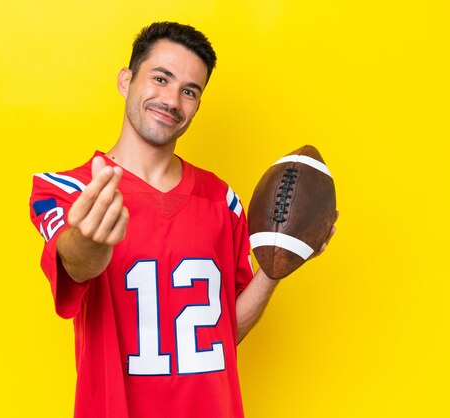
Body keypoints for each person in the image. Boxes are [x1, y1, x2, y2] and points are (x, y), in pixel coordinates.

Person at [29, 22, 335, 418]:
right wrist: (91, 240)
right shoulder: (68, 190)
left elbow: (224, 334)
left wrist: (275, 269)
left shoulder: (221, 199)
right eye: (161, 78)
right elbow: (75, 260)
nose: (172, 100)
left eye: (189, 91)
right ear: (126, 81)